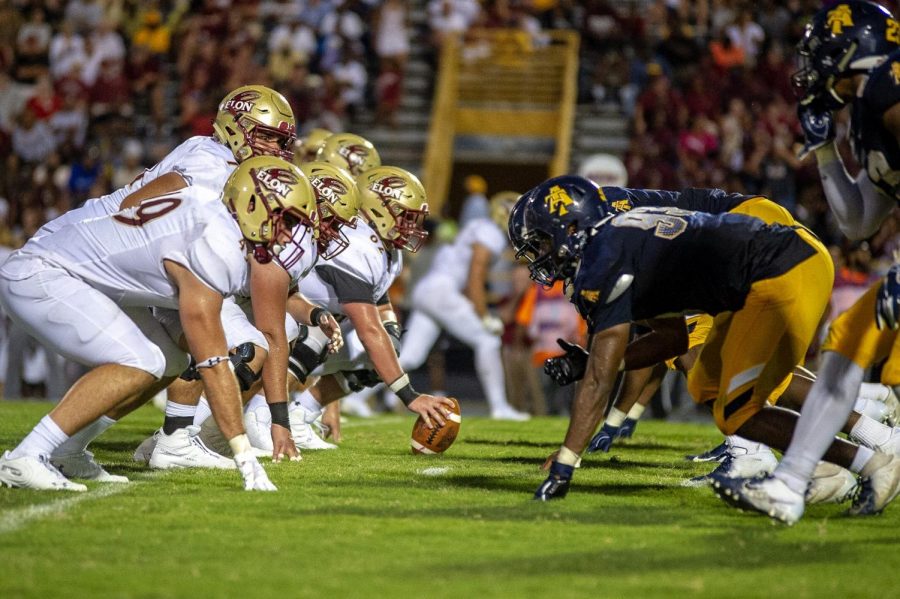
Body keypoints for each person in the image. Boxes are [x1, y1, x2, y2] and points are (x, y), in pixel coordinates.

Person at [510, 176, 900, 521]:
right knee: (707, 386)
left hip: (777, 269)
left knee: (739, 407)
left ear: (571, 225)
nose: (539, 256)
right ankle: (831, 467)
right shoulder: (619, 239)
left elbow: (599, 377)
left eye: (541, 242)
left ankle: (864, 456)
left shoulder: (604, 255)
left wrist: (565, 464)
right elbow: (672, 339)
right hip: (777, 264)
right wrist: (596, 367)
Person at [0, 156, 316, 492]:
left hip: (87, 275)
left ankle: (68, 449)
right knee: (141, 361)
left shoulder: (215, 214)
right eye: (285, 219)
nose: (288, 233)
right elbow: (211, 361)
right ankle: (26, 455)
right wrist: (245, 458)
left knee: (169, 361)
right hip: (46, 273)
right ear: (251, 206)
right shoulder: (214, 242)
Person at [717, 0, 900, 524]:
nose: (814, 63)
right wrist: (823, 149)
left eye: (823, 50)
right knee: (844, 343)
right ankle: (790, 485)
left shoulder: (890, 83)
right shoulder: (867, 110)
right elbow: (860, 221)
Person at [283, 166, 457, 441]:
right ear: (378, 209)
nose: (411, 226)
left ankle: (301, 413)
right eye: (405, 216)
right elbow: (368, 329)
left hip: (324, 320)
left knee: (383, 356)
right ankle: (264, 415)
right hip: (289, 316)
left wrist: (391, 330)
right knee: (322, 338)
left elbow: (380, 298)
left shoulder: (387, 250)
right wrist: (409, 396)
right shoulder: (357, 245)